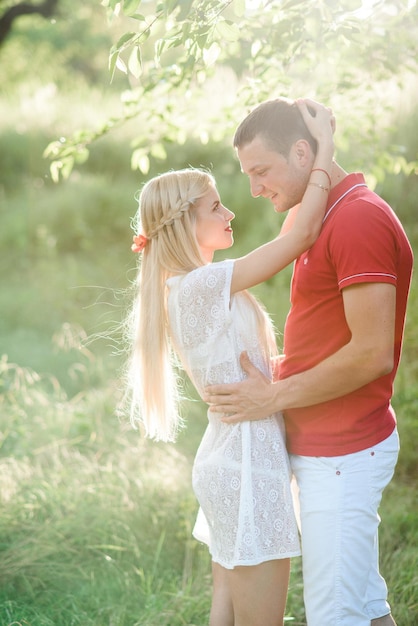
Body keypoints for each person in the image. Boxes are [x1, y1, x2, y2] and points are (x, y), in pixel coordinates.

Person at [124, 100, 335, 626]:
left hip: (236, 459)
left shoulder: (194, 289)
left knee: (227, 615)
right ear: (182, 226)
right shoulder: (195, 287)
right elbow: (298, 237)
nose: (230, 213)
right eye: (215, 207)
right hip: (244, 466)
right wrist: (325, 151)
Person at [204, 97, 414, 626]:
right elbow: (327, 333)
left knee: (334, 616)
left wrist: (271, 396)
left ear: (302, 153)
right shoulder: (315, 212)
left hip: (342, 455)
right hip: (324, 444)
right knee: (366, 608)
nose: (253, 188)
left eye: (261, 171)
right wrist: (273, 370)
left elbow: (370, 354)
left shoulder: (359, 220)